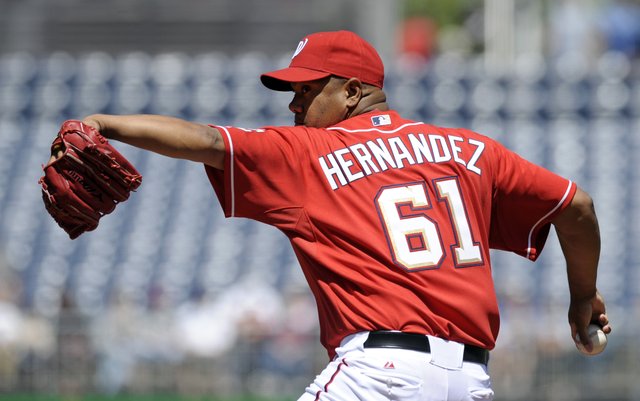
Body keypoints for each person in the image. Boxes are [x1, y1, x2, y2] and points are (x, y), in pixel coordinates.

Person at [54, 30, 611, 400]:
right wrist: (583, 296)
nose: (293, 104)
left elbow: (208, 140)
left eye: (306, 90)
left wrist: (106, 123)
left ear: (351, 92)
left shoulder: (313, 153)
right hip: (469, 382)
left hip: (377, 377)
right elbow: (577, 206)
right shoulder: (471, 150)